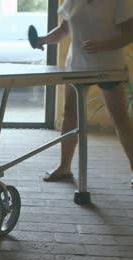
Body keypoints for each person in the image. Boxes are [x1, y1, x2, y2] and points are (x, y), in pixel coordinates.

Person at [35, 0, 133, 187]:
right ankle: (64, 167)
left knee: (119, 118)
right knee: (69, 113)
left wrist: (104, 45)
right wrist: (43, 40)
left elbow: (129, 32)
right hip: (77, 66)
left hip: (109, 67)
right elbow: (64, 29)